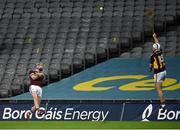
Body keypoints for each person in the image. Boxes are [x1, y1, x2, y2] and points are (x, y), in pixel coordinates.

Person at [149, 33, 167, 111]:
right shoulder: (160, 51)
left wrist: (150, 69)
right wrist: (155, 37)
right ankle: (162, 99)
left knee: (158, 89)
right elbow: (158, 44)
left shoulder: (152, 56)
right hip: (164, 71)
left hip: (158, 73)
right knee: (158, 88)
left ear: (153, 48)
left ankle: (163, 105)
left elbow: (150, 66)